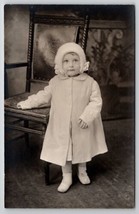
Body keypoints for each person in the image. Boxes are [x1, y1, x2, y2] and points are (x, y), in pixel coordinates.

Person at [17, 42, 108, 193]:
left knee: (82, 147)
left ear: (82, 62)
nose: (71, 65)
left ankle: (82, 170)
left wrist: (87, 116)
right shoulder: (55, 82)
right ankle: (67, 176)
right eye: (66, 61)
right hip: (62, 124)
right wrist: (27, 103)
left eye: (75, 60)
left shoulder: (90, 83)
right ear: (60, 63)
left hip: (81, 124)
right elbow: (43, 96)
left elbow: (96, 102)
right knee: (64, 150)